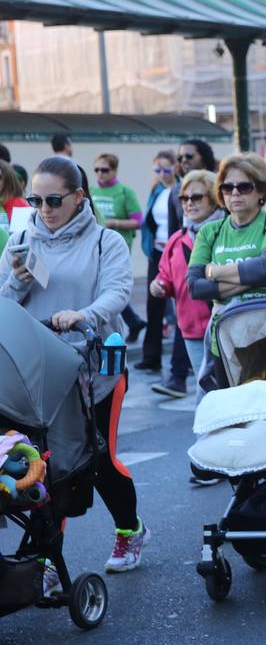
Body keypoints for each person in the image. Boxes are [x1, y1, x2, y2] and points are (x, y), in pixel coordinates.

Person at [0, 155, 147, 572]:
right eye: (36, 200)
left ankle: (128, 531)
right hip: (39, 375)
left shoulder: (105, 241)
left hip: (95, 371)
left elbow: (117, 291)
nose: (44, 210)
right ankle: (47, 561)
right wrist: (16, 281)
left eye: (53, 200)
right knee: (45, 467)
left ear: (79, 197)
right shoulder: (22, 240)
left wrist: (85, 315)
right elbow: (4, 306)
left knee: (97, 462)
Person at [186, 153, 266, 388]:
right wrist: (251, 278)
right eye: (227, 187)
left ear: (260, 191)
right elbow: (194, 287)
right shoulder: (210, 231)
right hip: (225, 338)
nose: (234, 193)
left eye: (244, 186)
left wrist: (214, 272)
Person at [150, 170, 221, 414]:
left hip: (225, 324)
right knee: (206, 388)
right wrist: (158, 286)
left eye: (197, 197)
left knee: (220, 391)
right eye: (184, 198)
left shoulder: (226, 232)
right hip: (191, 328)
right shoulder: (177, 239)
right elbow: (165, 275)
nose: (189, 203)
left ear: (213, 199)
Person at [90, 153, 147, 344]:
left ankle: (129, 323)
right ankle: (133, 322)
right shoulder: (91, 190)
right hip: (94, 248)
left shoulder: (125, 192)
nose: (100, 173)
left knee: (110, 288)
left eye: (104, 170)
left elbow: (138, 221)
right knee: (101, 289)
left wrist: (114, 222)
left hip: (117, 248)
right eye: (96, 169)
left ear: (114, 170)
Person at [136, 150, 183, 379]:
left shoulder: (182, 188)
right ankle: (151, 357)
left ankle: (182, 361)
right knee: (153, 304)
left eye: (166, 169)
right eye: (158, 170)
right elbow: (149, 221)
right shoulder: (156, 190)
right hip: (157, 252)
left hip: (177, 252)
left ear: (175, 167)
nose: (162, 174)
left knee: (182, 305)